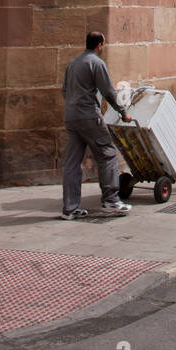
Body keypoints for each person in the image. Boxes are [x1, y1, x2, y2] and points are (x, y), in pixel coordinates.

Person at [61, 32, 132, 219]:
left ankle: (70, 208)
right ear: (100, 45)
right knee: (107, 153)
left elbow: (64, 91)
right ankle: (111, 200)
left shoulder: (73, 64)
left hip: (71, 117)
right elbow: (108, 91)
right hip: (89, 116)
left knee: (72, 163)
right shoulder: (96, 63)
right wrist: (123, 112)